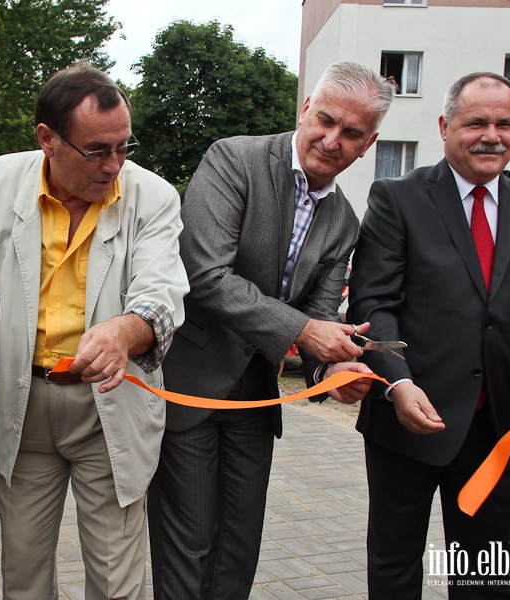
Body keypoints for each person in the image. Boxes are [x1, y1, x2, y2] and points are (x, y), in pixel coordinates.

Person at [0, 63, 189, 599]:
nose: (113, 164)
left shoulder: (153, 197)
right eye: (96, 150)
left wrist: (122, 332)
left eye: (123, 147)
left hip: (109, 405)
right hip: (22, 405)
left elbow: (161, 296)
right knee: (23, 578)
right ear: (47, 139)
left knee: (116, 584)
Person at [147, 61, 393, 599]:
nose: (332, 140)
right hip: (190, 385)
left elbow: (324, 320)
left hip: (256, 403)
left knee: (240, 545)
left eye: (351, 133)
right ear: (305, 108)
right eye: (325, 120)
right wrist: (305, 332)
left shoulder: (345, 222)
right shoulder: (234, 159)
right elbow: (204, 273)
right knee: (187, 545)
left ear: (368, 143)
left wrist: (337, 367)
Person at [347, 72, 510, 598]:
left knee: (488, 578)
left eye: (504, 124)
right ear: (446, 126)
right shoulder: (397, 197)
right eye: (476, 122)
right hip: (409, 418)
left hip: (495, 427)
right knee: (395, 569)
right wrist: (397, 384)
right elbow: (374, 304)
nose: (491, 135)